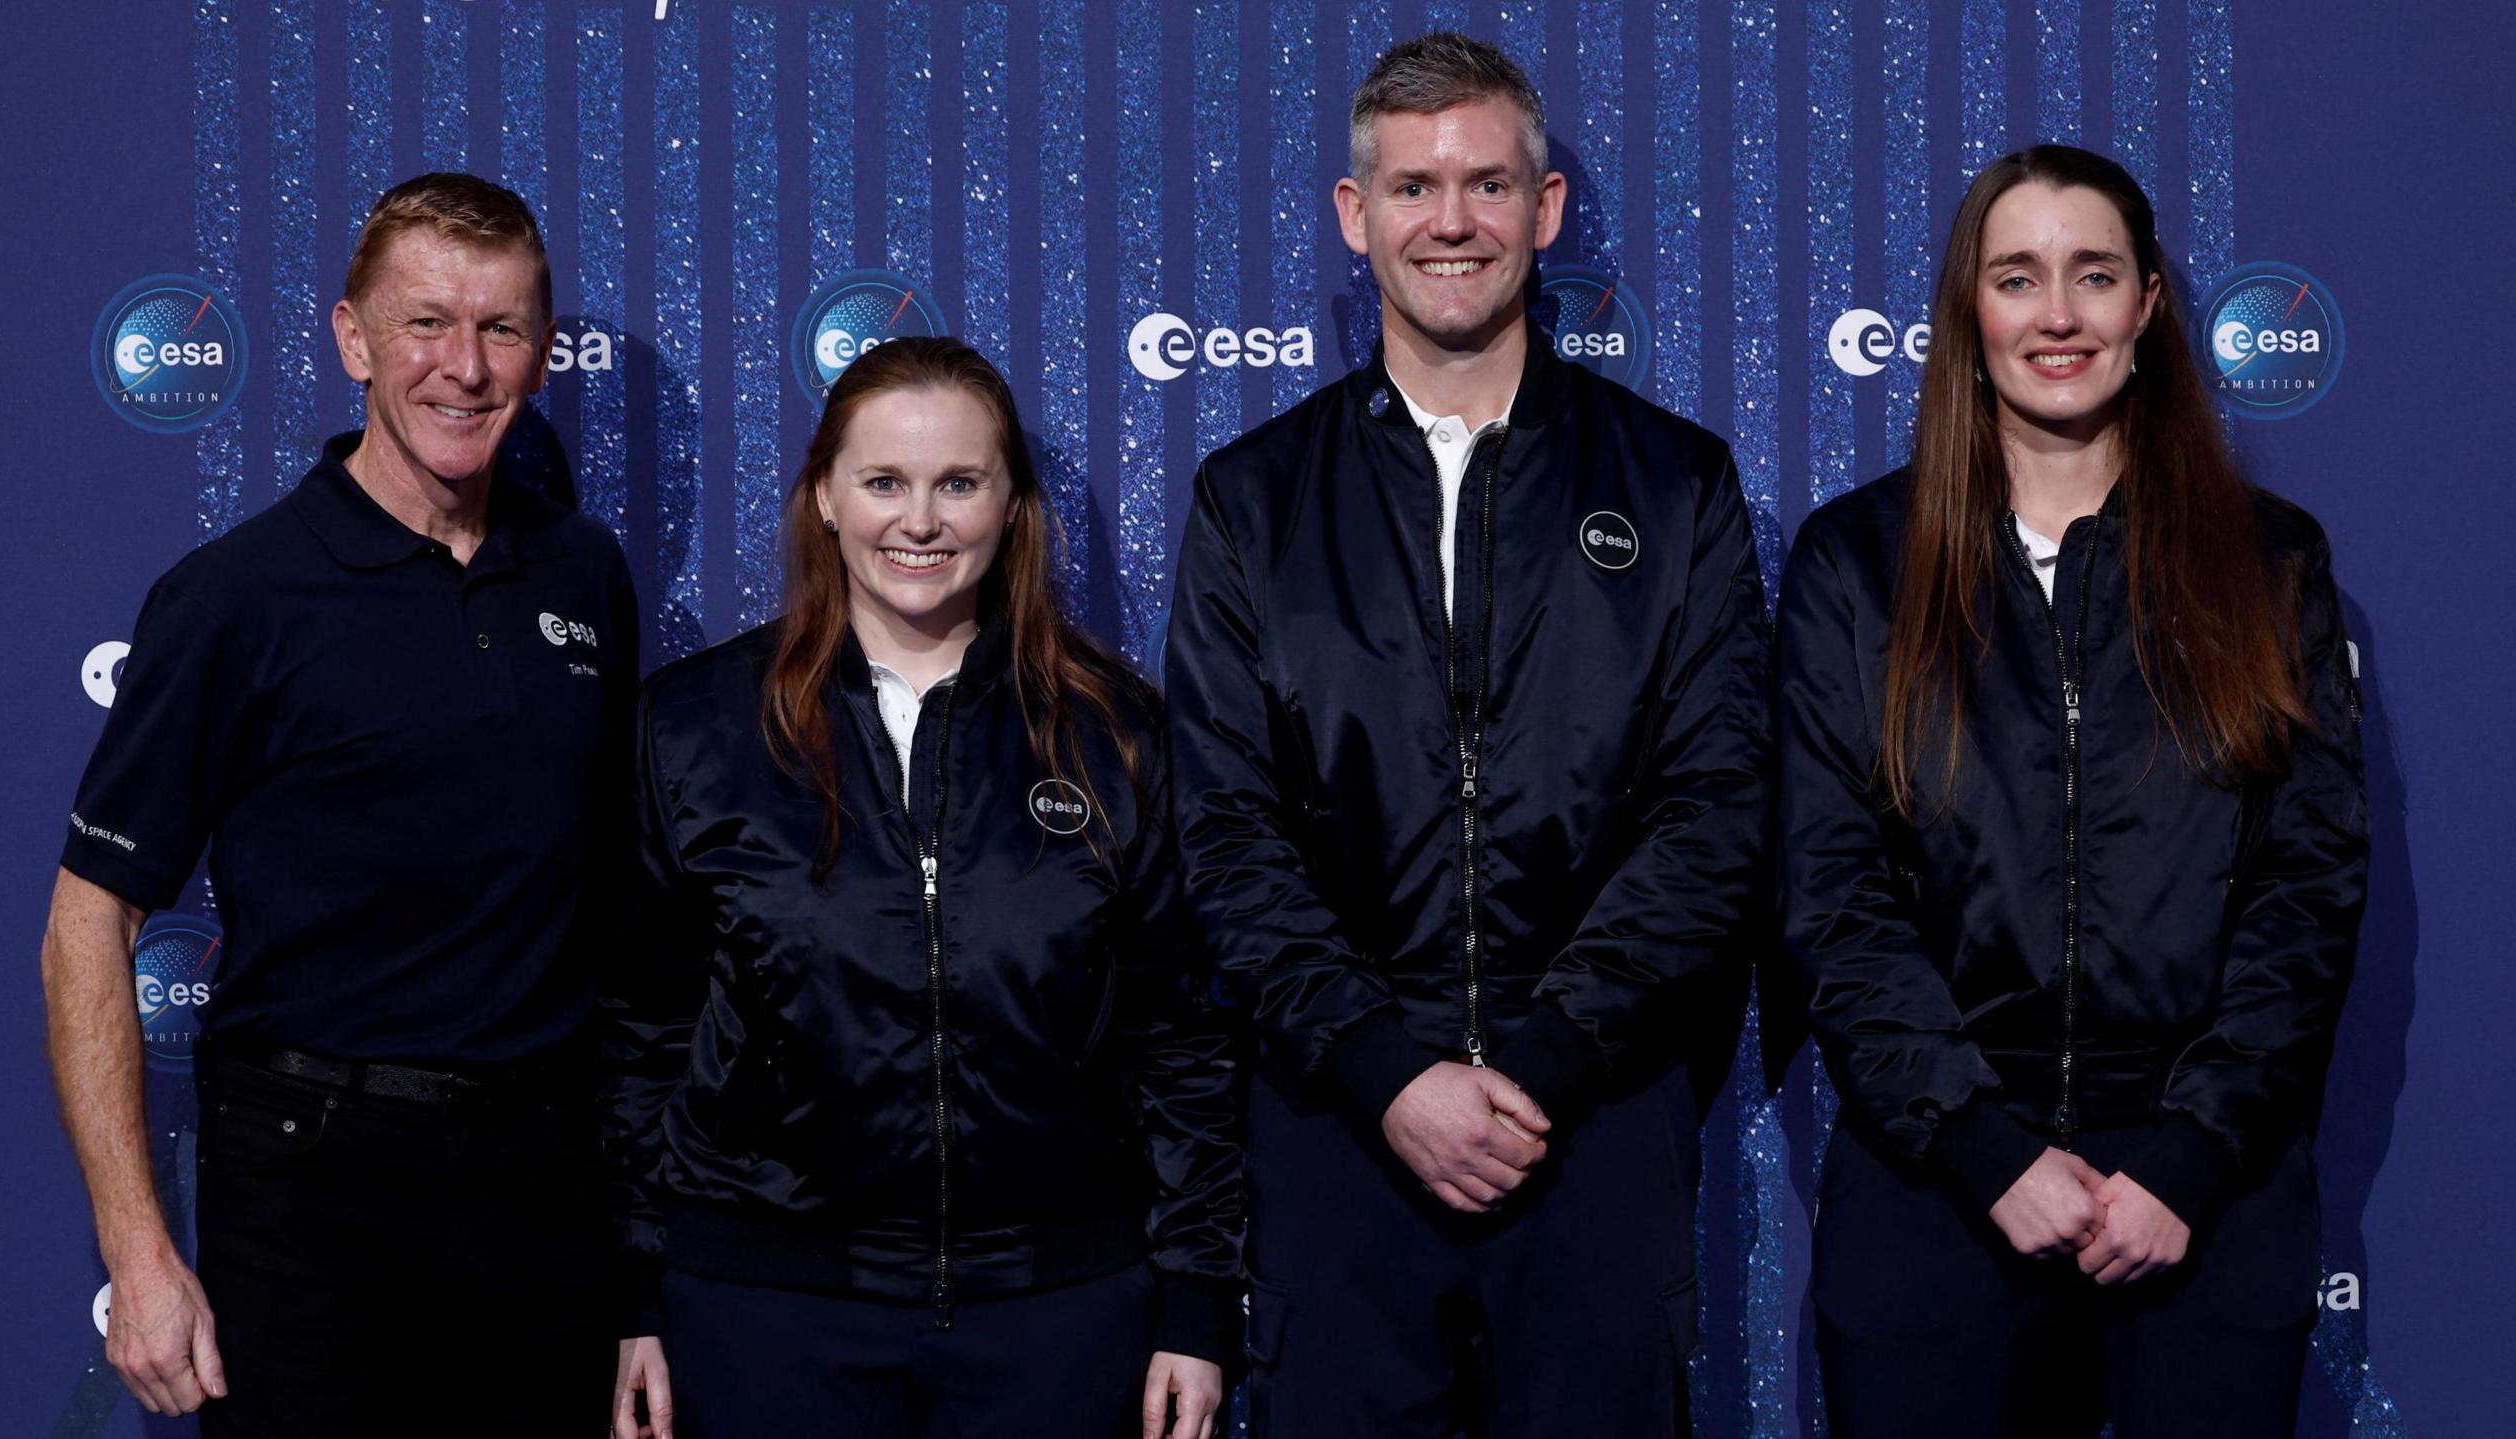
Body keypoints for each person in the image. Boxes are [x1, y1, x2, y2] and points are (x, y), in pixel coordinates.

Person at [1166, 32, 1768, 1438]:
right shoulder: (1253, 499)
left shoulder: (1678, 485)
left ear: (1545, 210)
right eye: (1417, 185)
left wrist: (1547, 1055)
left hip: (1596, 1122)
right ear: (1355, 212)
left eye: (1489, 185)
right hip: (1337, 1128)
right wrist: (1387, 1067)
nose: (1453, 221)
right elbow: (1224, 830)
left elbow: (1714, 810)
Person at [1778, 143, 2367, 1437]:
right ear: (1968, 310)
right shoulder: (1856, 565)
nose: (2058, 314)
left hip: (2206, 1199)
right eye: (2019, 276)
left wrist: (2191, 1154)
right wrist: (1988, 1148)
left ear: (2149, 306)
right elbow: (1830, 893)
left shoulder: (2271, 566)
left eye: (2094, 275)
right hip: (1940, 1188)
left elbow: (2307, 891)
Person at [42, 173, 635, 1434]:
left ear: (540, 346)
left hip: (546, 1187)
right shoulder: (233, 596)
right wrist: (139, 1257)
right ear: (353, 339)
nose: (464, 368)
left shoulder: (584, 569)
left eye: (502, 328)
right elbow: (85, 923)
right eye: (425, 323)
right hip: (313, 1187)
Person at [603, 337, 1241, 1439]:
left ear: (1010, 506)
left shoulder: (1115, 737)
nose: (921, 521)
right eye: (884, 482)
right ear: (825, 498)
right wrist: (639, 1291)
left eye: (959, 482)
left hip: (1055, 1308)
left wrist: (1193, 1299)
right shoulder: (695, 728)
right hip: (766, 1306)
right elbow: (637, 1032)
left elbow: (1182, 1040)